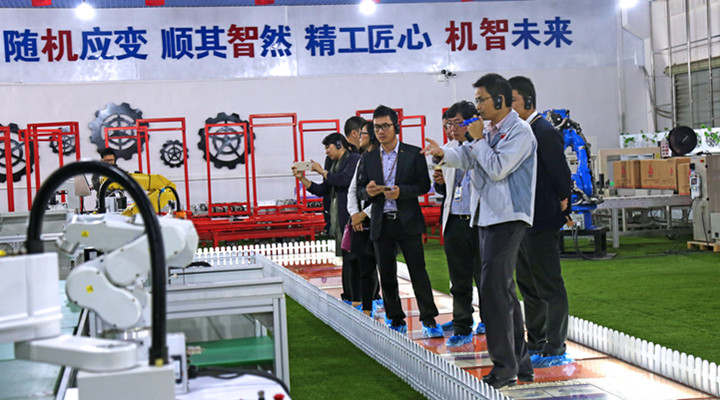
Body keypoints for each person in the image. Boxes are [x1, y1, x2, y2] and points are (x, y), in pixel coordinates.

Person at [421, 73, 537, 389]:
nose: (478, 107)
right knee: (503, 292)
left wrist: (476, 141)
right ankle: (521, 364)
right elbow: (468, 158)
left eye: (481, 100)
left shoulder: (520, 132)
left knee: (493, 291)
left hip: (509, 217)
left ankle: (504, 368)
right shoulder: (487, 132)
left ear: (500, 100)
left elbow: (497, 168)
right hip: (486, 217)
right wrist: (444, 154)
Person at [357, 105, 442, 338]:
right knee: (386, 274)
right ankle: (395, 317)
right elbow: (361, 189)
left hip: (407, 220)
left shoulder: (413, 153)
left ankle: (429, 318)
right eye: (376, 127)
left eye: (385, 126)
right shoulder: (369, 157)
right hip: (381, 221)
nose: (380, 131)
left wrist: (402, 192)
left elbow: (424, 185)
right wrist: (369, 192)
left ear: (396, 127)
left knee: (418, 272)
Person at [509, 76, 573, 367]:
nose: (507, 107)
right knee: (528, 285)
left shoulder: (544, 132)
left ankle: (556, 344)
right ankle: (536, 340)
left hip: (541, 221)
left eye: (512, 101)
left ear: (528, 101)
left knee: (549, 284)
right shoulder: (518, 132)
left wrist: (564, 202)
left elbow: (561, 174)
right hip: (520, 221)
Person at [432, 100, 485, 348]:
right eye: (448, 125)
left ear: (472, 122)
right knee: (459, 279)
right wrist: (440, 182)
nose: (451, 130)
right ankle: (462, 324)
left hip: (479, 221)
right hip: (454, 220)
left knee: (484, 276)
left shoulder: (485, 146)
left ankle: (489, 320)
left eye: (456, 124)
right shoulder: (448, 150)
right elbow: (443, 190)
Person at [292, 133, 361, 304]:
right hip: (340, 219)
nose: (326, 152)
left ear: (338, 144)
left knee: (355, 259)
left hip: (352, 217)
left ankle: (361, 297)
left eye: (328, 147)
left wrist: (322, 171)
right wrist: (302, 179)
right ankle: (349, 296)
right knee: (347, 258)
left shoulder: (354, 159)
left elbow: (344, 180)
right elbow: (323, 189)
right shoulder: (332, 164)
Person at [347, 120, 382, 316]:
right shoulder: (362, 160)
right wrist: (354, 215)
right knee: (357, 263)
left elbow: (382, 194)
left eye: (363, 134)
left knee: (372, 266)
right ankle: (358, 305)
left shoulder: (381, 159)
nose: (359, 137)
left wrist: (363, 215)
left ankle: (370, 308)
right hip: (358, 220)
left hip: (375, 219)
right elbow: (352, 190)